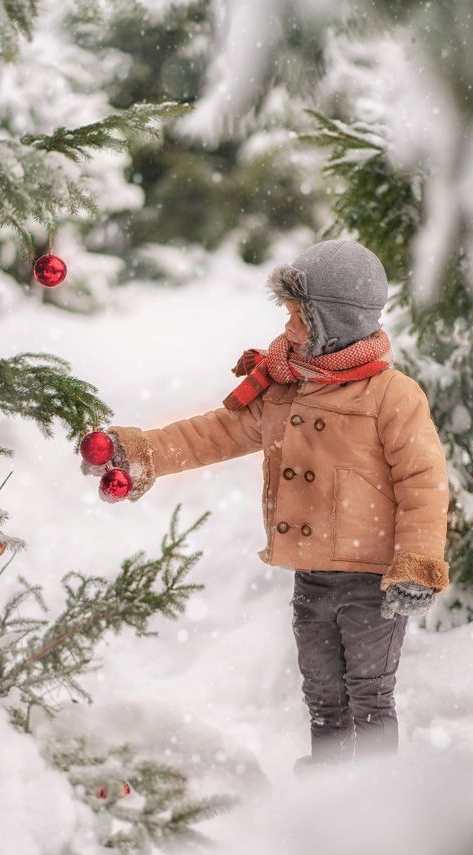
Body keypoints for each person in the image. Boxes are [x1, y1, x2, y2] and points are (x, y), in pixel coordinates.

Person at [82, 239, 450, 772]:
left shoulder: (392, 396)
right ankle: (325, 795)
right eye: (288, 315)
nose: (289, 328)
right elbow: (212, 433)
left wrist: (416, 564)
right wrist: (142, 452)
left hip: (374, 581)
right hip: (313, 578)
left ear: (335, 322)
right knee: (323, 697)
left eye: (300, 317)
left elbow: (423, 483)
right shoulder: (285, 389)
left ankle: (374, 807)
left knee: (370, 697)